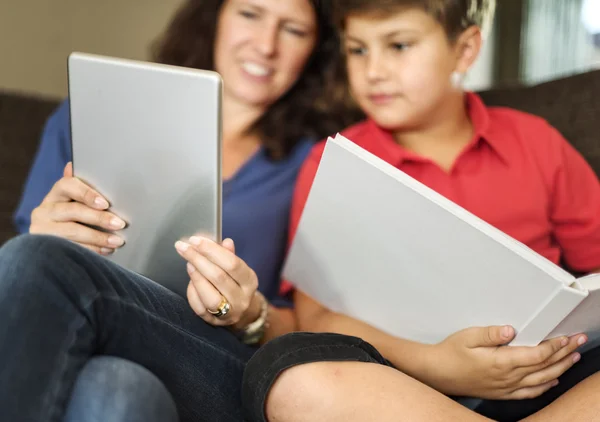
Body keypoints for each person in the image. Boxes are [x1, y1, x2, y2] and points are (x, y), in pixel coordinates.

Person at [241, 0, 600, 421]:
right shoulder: (333, 162)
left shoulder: (537, 143)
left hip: (544, 376)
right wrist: (436, 365)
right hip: (398, 385)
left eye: (398, 46)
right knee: (288, 372)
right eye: (358, 49)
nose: (373, 70)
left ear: (464, 50)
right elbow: (315, 313)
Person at [0, 0, 355, 421]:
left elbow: (318, 330)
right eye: (250, 14)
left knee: (38, 260)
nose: (265, 45)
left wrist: (251, 315)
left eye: (293, 30)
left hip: (219, 361)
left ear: (317, 50)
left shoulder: (320, 161)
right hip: (90, 340)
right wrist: (44, 235)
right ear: (215, 16)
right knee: (115, 393)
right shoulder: (88, 114)